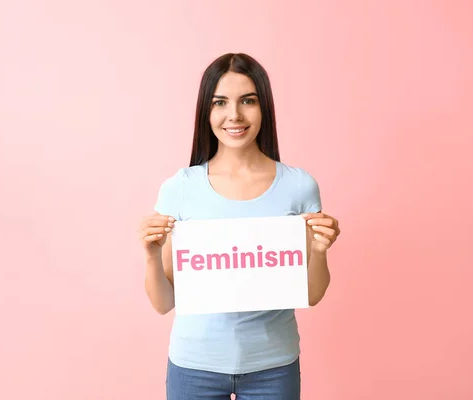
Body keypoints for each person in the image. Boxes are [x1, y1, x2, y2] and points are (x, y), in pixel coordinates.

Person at [139, 53, 340, 400]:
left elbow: (311, 294)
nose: (234, 115)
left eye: (248, 100)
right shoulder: (181, 188)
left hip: (273, 367)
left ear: (264, 108)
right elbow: (163, 303)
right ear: (207, 111)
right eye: (220, 102)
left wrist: (319, 252)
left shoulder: (299, 186)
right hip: (194, 366)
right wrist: (150, 255)